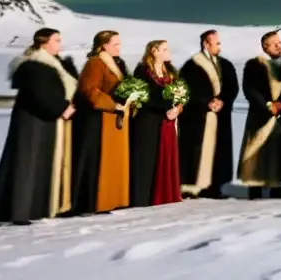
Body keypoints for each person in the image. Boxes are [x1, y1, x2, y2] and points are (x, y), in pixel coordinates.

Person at [0, 28, 78, 225]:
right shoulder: (33, 65)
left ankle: (41, 208)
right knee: (27, 162)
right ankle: (19, 212)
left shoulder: (54, 64)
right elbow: (41, 93)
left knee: (43, 163)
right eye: (56, 40)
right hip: (32, 120)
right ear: (44, 43)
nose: (60, 44)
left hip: (46, 120)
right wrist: (62, 108)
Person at [71, 30, 131, 214]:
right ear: (103, 45)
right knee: (97, 162)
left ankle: (110, 200)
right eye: (115, 44)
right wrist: (113, 104)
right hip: (97, 120)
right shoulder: (95, 63)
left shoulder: (117, 64)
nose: (119, 47)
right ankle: (92, 203)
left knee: (112, 162)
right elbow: (90, 91)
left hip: (113, 120)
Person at [237, 30, 281, 199]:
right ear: (265, 47)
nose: (279, 46)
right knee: (257, 152)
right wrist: (266, 105)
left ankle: (277, 189)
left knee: (278, 151)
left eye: (280, 43)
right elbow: (249, 88)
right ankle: (255, 190)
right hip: (259, 116)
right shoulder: (253, 65)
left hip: (280, 115)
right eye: (275, 44)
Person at [179, 29, 240, 199]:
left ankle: (215, 186)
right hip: (198, 117)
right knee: (195, 150)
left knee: (218, 151)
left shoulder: (225, 65)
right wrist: (206, 101)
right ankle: (192, 187)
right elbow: (188, 89)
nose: (219, 46)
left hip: (220, 116)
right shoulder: (191, 65)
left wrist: (222, 101)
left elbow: (232, 87)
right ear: (206, 44)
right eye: (216, 43)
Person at [129, 40, 183, 208]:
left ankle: (165, 195)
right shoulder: (142, 71)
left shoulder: (171, 71)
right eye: (164, 49)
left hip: (167, 122)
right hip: (147, 121)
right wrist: (166, 107)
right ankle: (142, 199)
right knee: (146, 160)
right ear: (154, 51)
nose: (168, 52)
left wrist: (178, 108)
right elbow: (142, 96)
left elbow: (182, 93)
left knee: (165, 157)